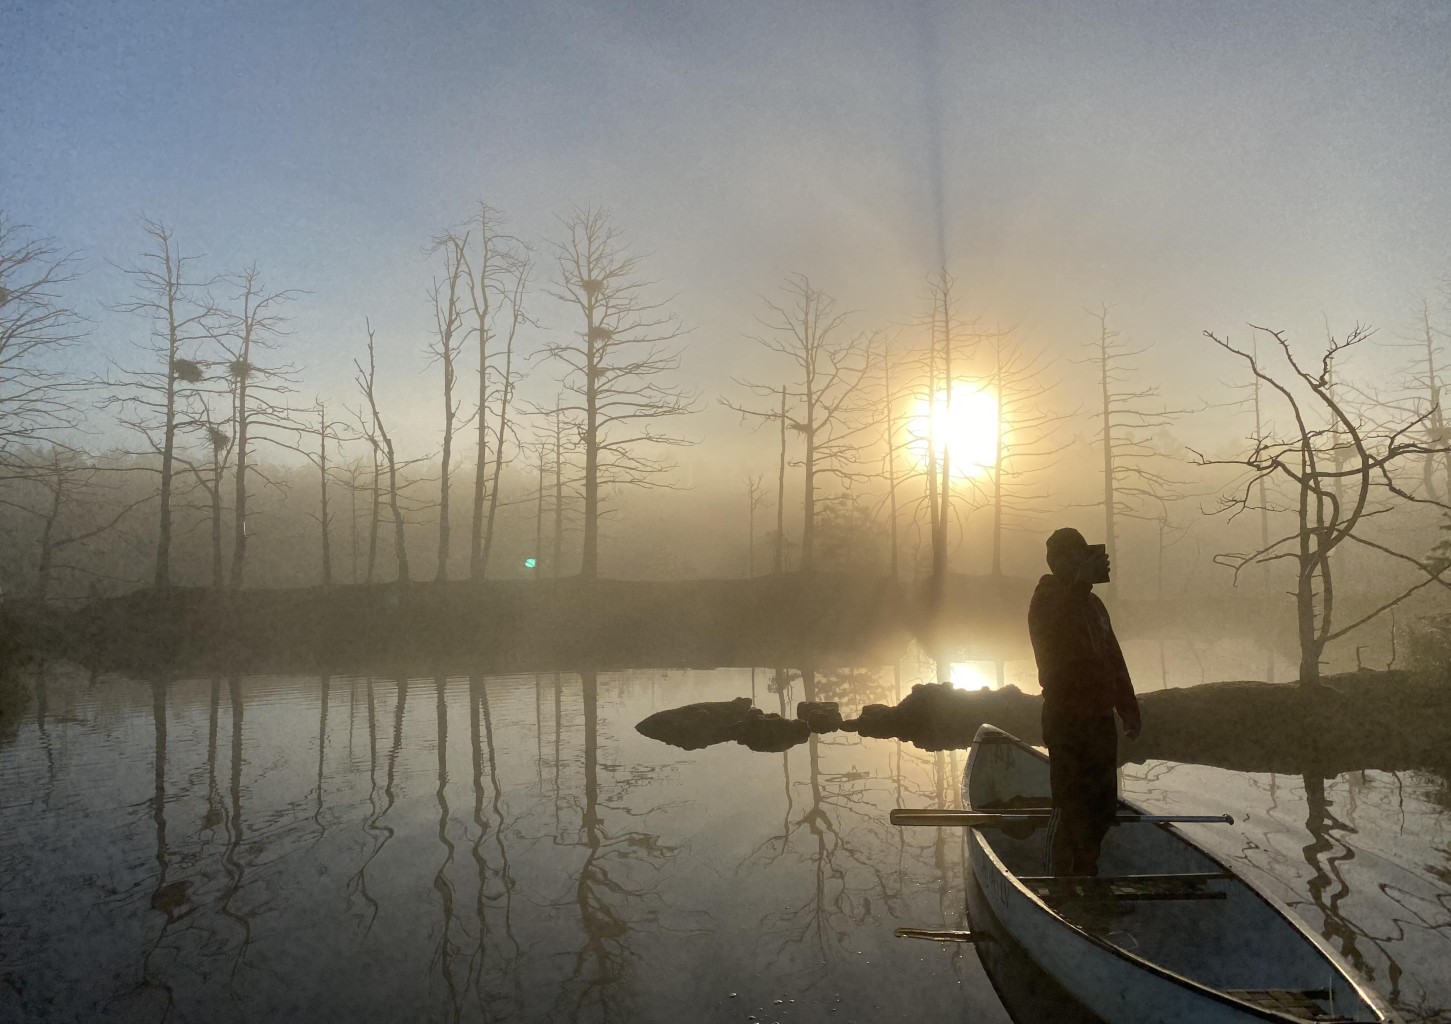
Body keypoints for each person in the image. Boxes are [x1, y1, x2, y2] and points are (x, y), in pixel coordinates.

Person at [1028, 527, 1141, 876]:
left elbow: (1113, 657)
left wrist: (1128, 706)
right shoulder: (1047, 598)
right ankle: (1059, 880)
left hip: (1099, 719)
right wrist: (1080, 584)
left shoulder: (1093, 604)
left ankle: (1087, 869)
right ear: (1056, 562)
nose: (1080, 562)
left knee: (1102, 806)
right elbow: (1057, 633)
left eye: (1083, 554)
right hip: (1066, 718)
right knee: (1069, 803)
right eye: (1073, 557)